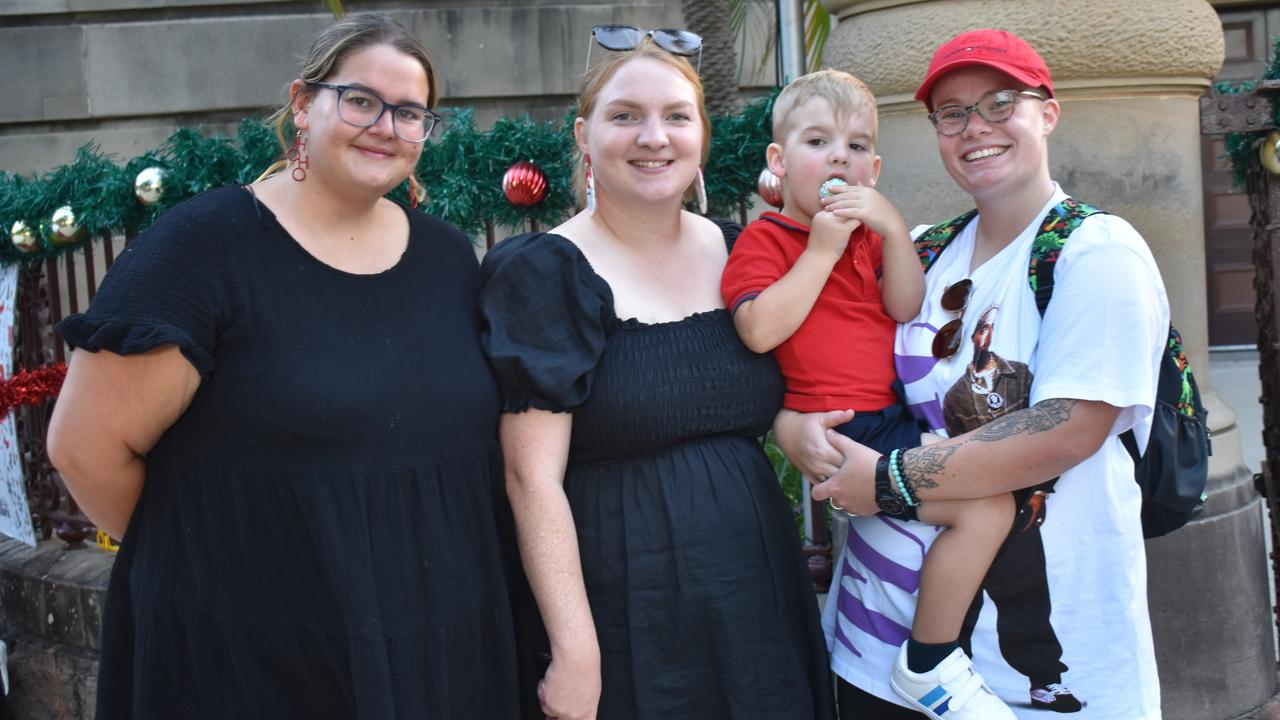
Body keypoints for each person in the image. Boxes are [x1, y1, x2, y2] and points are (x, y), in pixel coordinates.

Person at [47, 13, 521, 718]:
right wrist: (222, 568)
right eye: (360, 100)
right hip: (250, 661)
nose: (386, 125)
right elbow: (84, 451)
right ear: (303, 103)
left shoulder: (450, 258)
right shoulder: (202, 248)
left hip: (437, 650)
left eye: (410, 112)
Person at [773, 29, 1168, 720]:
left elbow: (1069, 429)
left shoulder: (1094, 252)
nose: (974, 127)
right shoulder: (920, 247)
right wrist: (790, 422)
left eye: (998, 103)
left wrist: (889, 479)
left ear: (1047, 112)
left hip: (1023, 677)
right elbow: (815, 344)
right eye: (952, 113)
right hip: (874, 637)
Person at [478, 30, 836, 720]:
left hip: (754, 592)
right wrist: (576, 651)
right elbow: (530, 476)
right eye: (625, 116)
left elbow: (787, 389)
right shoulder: (544, 273)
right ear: (584, 136)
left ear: (701, 133)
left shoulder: (740, 252)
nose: (654, 136)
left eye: (677, 115)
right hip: (623, 606)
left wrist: (801, 428)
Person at [720, 69, 1015, 719]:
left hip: (886, 418)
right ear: (779, 159)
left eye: (856, 147)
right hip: (852, 428)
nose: (838, 157)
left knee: (981, 494)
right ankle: (929, 660)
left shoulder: (871, 240)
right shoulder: (765, 240)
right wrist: (820, 252)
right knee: (988, 504)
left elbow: (906, 302)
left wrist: (889, 227)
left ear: (874, 168)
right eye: (818, 141)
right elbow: (759, 329)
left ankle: (932, 645)